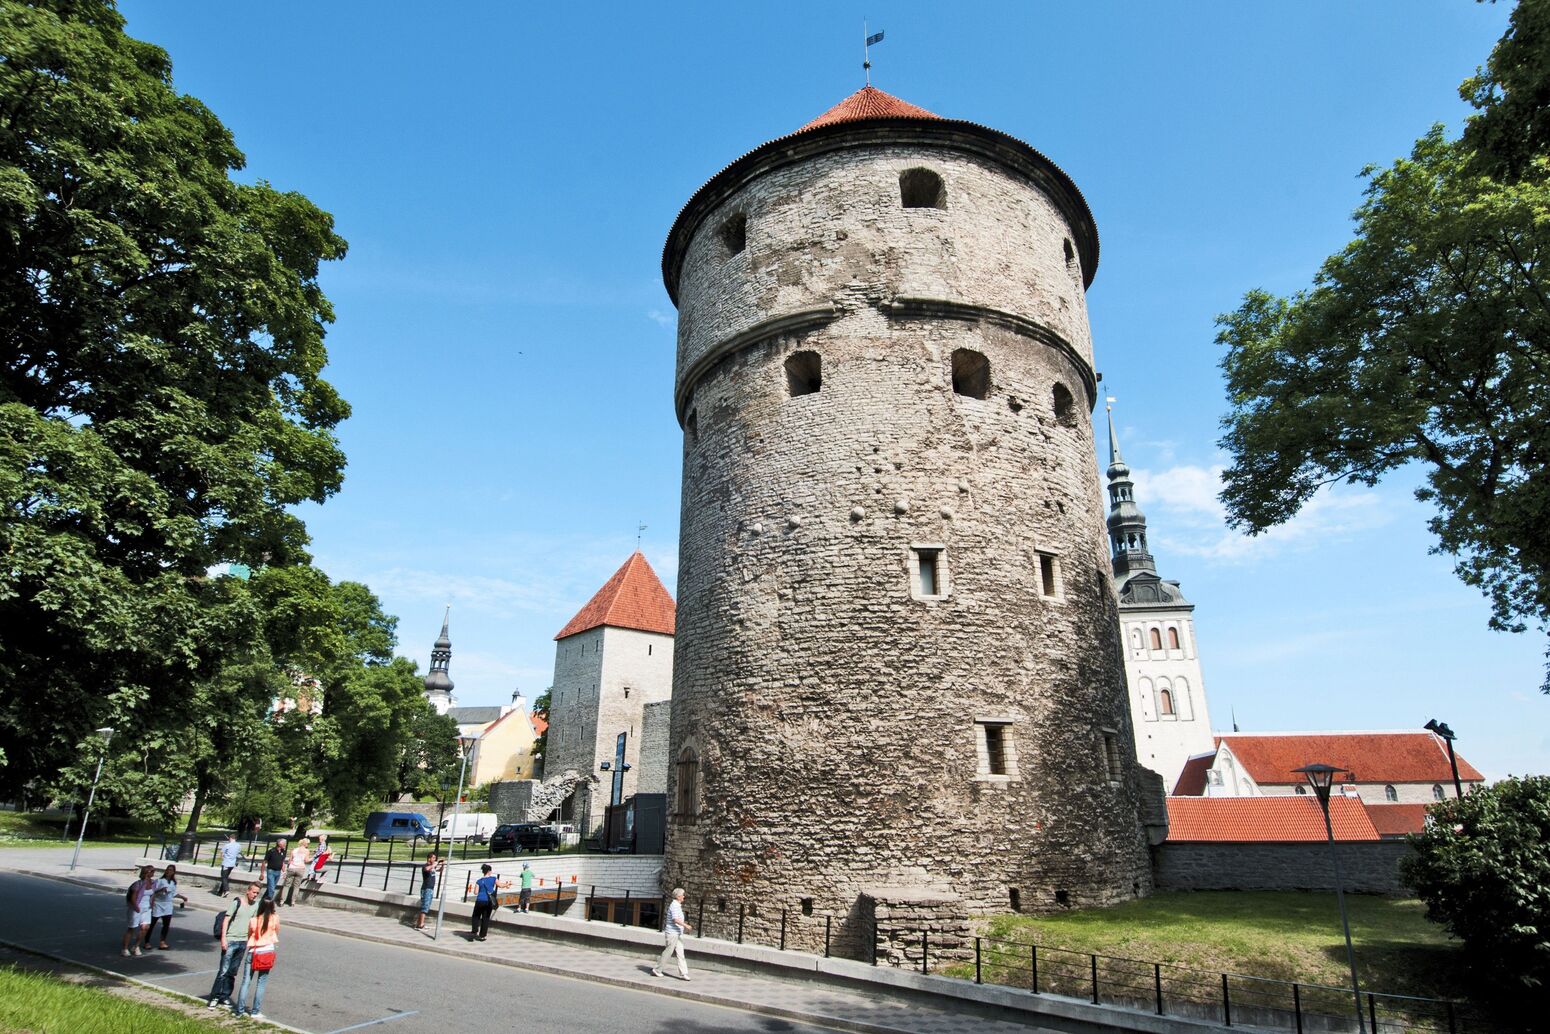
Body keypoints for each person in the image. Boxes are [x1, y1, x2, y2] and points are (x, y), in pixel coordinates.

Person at [208, 881, 263, 1009]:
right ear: (248, 891)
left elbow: (253, 924)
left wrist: (252, 941)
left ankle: (225, 996)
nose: (255, 895)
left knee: (233, 971)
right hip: (231, 939)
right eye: (253, 892)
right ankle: (214, 997)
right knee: (223, 971)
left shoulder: (255, 906)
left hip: (243, 942)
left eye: (257, 893)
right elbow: (226, 919)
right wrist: (224, 938)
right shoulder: (237, 902)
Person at [231, 895, 279, 1020]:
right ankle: (255, 1011)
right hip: (267, 951)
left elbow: (249, 934)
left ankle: (239, 1010)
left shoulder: (254, 920)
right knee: (261, 983)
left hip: (254, 951)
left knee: (246, 981)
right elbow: (276, 932)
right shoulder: (275, 919)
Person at [142, 864, 189, 950]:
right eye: (167, 870)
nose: (168, 871)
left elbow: (173, 893)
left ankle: (162, 942)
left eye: (171, 870)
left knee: (166, 924)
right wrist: (160, 890)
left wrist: (182, 897)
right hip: (158, 903)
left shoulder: (173, 882)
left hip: (168, 904)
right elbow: (153, 891)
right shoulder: (159, 881)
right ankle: (146, 942)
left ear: (173, 872)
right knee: (152, 923)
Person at [652, 887, 692, 981]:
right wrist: (686, 925)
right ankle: (657, 969)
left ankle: (684, 973)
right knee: (668, 952)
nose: (684, 897)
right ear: (678, 896)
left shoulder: (677, 905)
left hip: (677, 933)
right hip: (672, 933)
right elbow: (675, 919)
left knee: (680, 953)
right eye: (682, 895)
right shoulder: (674, 906)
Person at [121, 865, 156, 957]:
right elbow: (133, 897)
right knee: (132, 928)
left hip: (147, 908)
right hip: (137, 908)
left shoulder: (153, 883)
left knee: (145, 927)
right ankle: (124, 948)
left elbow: (153, 895)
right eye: (151, 871)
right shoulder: (138, 884)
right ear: (147, 872)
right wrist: (136, 907)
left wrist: (152, 905)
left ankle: (136, 946)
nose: (153, 873)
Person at [469, 864, 510, 941]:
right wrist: (507, 884)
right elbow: (500, 885)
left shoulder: (479, 881)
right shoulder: (493, 879)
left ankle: (474, 931)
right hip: (488, 902)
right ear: (489, 871)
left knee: (475, 916)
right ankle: (482, 936)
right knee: (485, 918)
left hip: (479, 901)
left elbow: (475, 892)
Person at [416, 853, 442, 930]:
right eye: (433, 858)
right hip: (426, 888)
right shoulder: (425, 866)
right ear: (429, 858)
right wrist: (434, 865)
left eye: (435, 858)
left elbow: (440, 870)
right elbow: (427, 869)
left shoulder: (432, 867)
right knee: (425, 907)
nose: (434, 859)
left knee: (426, 906)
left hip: (430, 888)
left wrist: (441, 864)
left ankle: (419, 924)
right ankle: (421, 925)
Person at [282, 837, 310, 906]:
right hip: (300, 869)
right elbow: (306, 860)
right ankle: (293, 902)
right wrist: (313, 858)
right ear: (305, 844)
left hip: (292, 868)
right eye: (308, 844)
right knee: (296, 886)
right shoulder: (306, 851)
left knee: (286, 885)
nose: (308, 845)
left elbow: (289, 861)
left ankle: (282, 901)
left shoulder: (294, 850)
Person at [263, 837, 287, 901]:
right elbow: (264, 862)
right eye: (284, 843)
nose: (285, 845)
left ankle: (264, 900)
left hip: (278, 872)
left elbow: (282, 862)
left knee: (271, 888)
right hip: (271, 871)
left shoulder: (283, 852)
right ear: (279, 844)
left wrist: (284, 872)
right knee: (272, 888)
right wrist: (262, 873)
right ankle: (270, 900)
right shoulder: (271, 851)